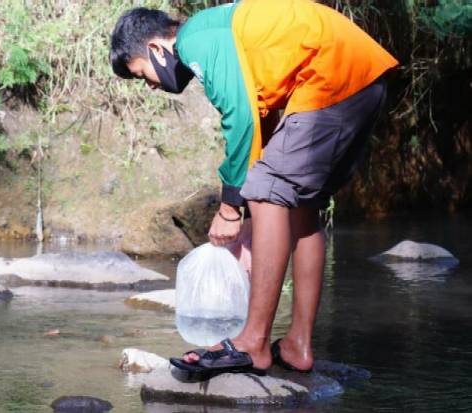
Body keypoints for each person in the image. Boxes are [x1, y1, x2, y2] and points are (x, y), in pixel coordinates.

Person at [110, 0, 398, 375]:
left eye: (141, 74)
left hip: (332, 75)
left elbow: (241, 119)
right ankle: (297, 345)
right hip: (359, 77)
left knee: (265, 191)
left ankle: (253, 342)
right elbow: (264, 122)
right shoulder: (218, 33)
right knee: (302, 208)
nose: (150, 85)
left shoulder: (195, 40)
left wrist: (231, 208)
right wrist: (252, 221)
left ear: (155, 48)